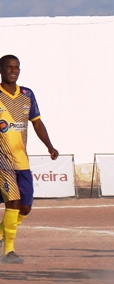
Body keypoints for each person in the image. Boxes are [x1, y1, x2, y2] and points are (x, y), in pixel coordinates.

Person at [0, 55, 59, 264]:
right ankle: (9, 251)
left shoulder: (27, 95)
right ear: (1, 70)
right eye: (9, 67)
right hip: (2, 162)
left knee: (25, 207)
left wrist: (50, 146)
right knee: (13, 202)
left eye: (16, 67)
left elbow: (37, 123)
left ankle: (1, 235)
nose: (13, 70)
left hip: (22, 161)